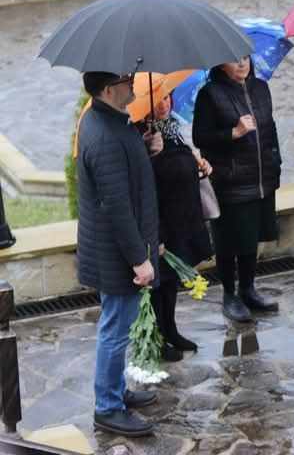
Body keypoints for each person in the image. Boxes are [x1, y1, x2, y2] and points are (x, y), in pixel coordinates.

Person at [77, 71, 160, 438]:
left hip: (114, 250)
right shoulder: (104, 135)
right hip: (116, 254)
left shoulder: (108, 120)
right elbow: (116, 206)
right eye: (127, 79)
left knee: (118, 326)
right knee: (115, 329)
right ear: (110, 89)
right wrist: (139, 259)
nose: (133, 83)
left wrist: (145, 145)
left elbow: (123, 175)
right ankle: (108, 407)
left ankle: (116, 389)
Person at [193, 55, 282, 323]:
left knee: (250, 236)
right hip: (230, 180)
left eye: (245, 57)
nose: (242, 64)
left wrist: (275, 162)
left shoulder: (261, 88)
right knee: (229, 240)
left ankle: (248, 289)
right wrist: (234, 133)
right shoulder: (210, 94)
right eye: (234, 59)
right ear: (221, 63)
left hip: (261, 177)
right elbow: (200, 137)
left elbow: (270, 129)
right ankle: (229, 295)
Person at [137, 90, 214, 360]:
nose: (163, 104)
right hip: (162, 222)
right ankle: (157, 337)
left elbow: (181, 161)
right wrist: (148, 151)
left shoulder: (172, 128)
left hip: (182, 219)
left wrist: (199, 165)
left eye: (167, 97)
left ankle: (170, 329)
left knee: (171, 281)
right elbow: (143, 183)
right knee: (159, 284)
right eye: (156, 100)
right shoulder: (143, 135)